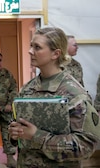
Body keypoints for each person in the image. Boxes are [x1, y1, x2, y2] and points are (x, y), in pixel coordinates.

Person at [8, 27, 100, 168]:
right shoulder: (28, 88)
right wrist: (15, 134)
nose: (30, 51)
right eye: (31, 46)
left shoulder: (74, 93)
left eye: (37, 47)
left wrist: (36, 136)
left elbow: (86, 146)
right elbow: (20, 131)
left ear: (55, 54)